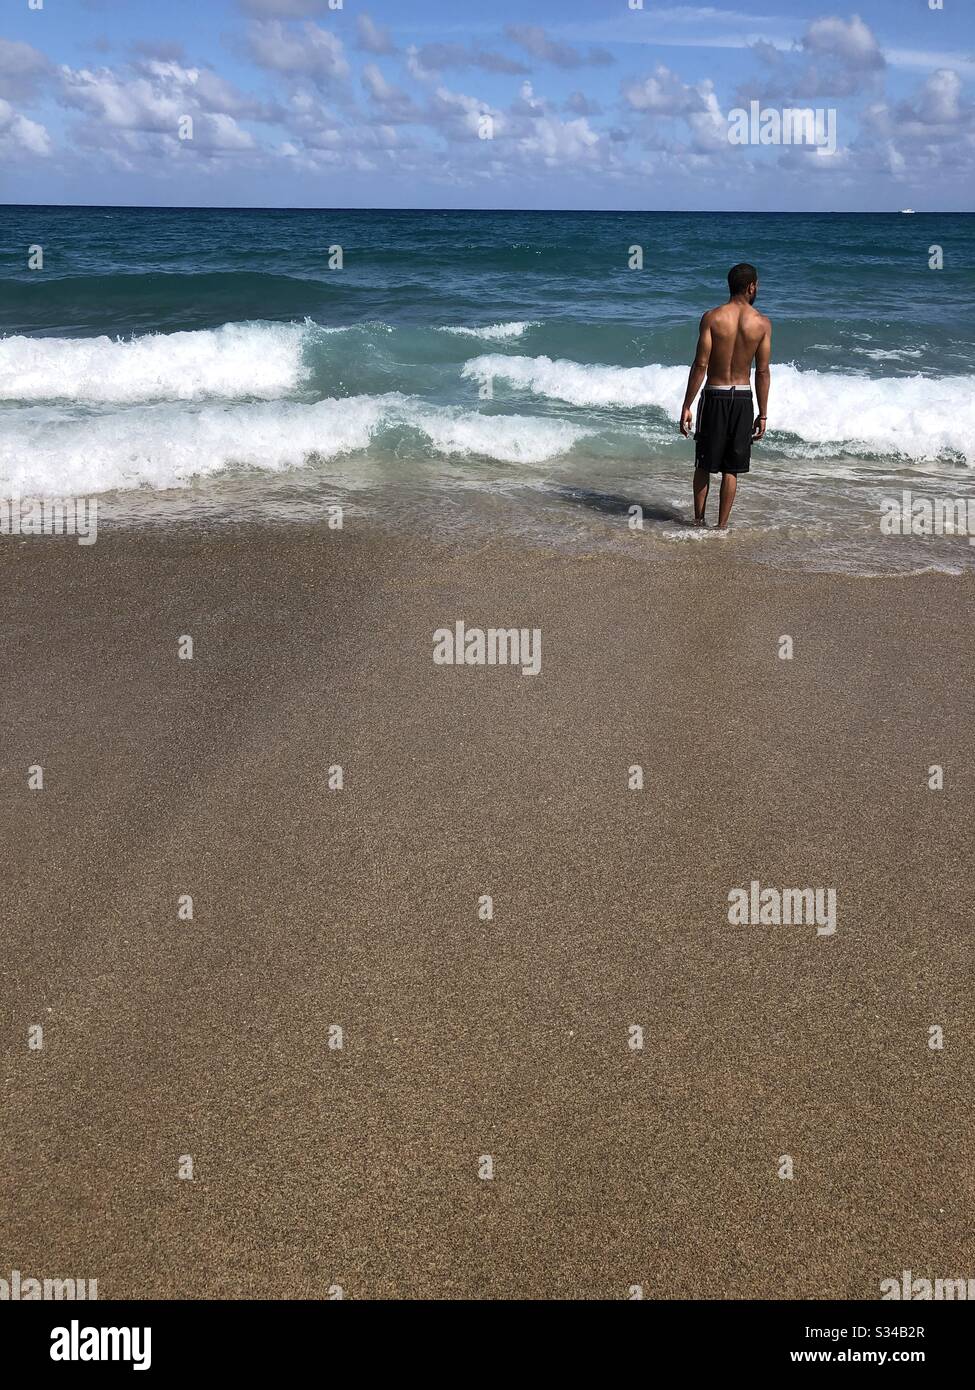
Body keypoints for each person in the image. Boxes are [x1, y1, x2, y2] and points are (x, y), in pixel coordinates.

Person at [679, 263, 772, 529]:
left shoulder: (712, 318)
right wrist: (762, 413)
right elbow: (762, 371)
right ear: (751, 286)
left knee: (704, 463)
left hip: (714, 395)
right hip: (742, 398)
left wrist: (687, 404)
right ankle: (721, 527)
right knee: (731, 468)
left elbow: (700, 364)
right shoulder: (762, 323)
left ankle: (698, 521)